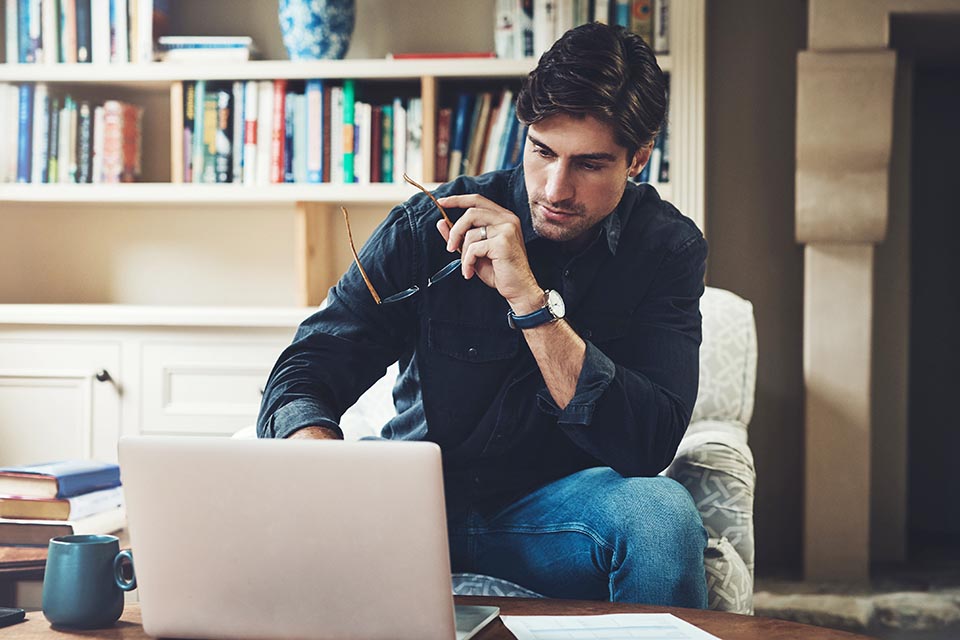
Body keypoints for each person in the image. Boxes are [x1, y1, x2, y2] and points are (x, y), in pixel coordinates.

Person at [257, 21, 708, 608]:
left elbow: (647, 445)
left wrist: (531, 303)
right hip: (413, 505)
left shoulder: (667, 249)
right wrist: (318, 459)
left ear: (638, 160)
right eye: (542, 151)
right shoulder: (430, 224)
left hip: (561, 514)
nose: (555, 187)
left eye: (589, 164)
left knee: (662, 519)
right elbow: (307, 369)